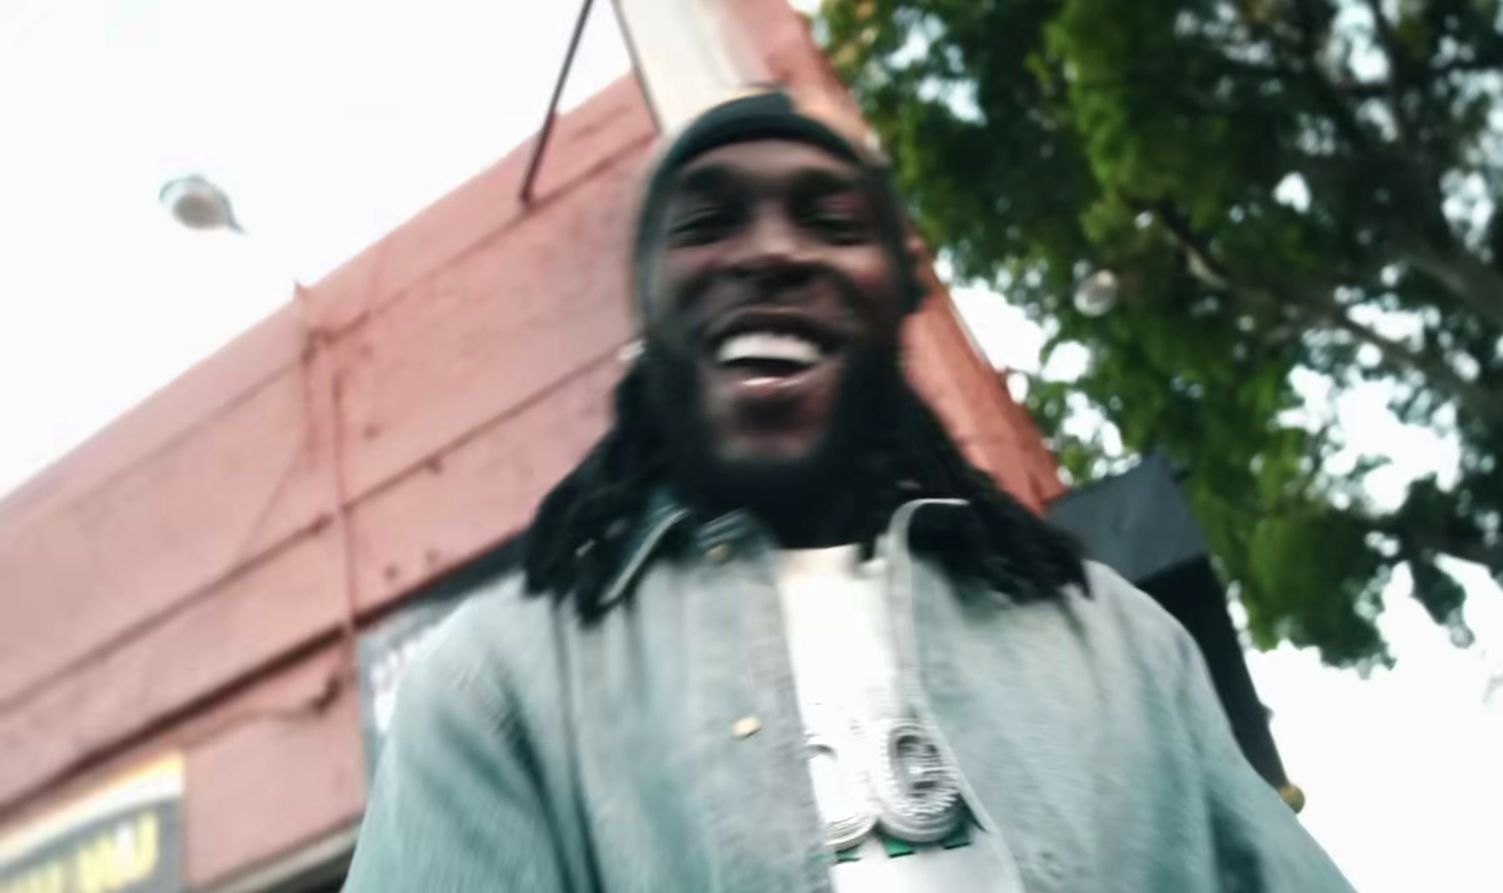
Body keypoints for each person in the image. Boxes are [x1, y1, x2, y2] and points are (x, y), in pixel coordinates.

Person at [343, 90, 1352, 892]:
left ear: (898, 293)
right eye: (707, 220)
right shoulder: (494, 686)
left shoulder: (1118, 642)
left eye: (830, 220)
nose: (772, 250)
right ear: (650, 308)